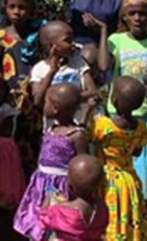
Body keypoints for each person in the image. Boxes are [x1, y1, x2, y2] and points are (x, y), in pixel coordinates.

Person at [94, 0, 147, 200]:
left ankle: (140, 208)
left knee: (142, 167)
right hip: (118, 116)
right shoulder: (116, 40)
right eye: (132, 13)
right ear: (125, 17)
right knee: (116, 165)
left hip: (146, 115)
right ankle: (116, 205)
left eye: (143, 13)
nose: (138, 18)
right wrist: (103, 32)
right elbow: (103, 66)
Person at [14, 83, 88, 241]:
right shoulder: (51, 129)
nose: (43, 106)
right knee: (37, 217)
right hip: (41, 184)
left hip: (62, 187)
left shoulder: (76, 135)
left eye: (46, 102)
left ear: (55, 108)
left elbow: (83, 165)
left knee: (57, 222)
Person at [86, 76, 147, 241]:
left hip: (106, 181)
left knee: (109, 217)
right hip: (129, 180)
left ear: (113, 100)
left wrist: (88, 111)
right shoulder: (140, 127)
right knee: (128, 217)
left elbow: (86, 136)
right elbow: (137, 152)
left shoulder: (103, 125)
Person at [0, 0, 45, 177]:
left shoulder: (38, 37)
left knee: (31, 150)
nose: (16, 12)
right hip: (9, 103)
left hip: (33, 105)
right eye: (12, 6)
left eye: (22, 7)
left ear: (32, 10)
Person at [30, 21, 97, 125]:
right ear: (52, 46)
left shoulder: (79, 63)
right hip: (53, 127)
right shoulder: (40, 69)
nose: (73, 44)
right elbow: (37, 101)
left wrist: (67, 100)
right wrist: (52, 72)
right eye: (68, 40)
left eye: (73, 39)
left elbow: (92, 91)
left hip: (79, 122)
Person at [39, 154, 109, 241]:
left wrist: (48, 199)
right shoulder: (102, 207)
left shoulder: (59, 211)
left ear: (69, 186)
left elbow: (43, 221)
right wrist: (64, 202)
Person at [0, 70, 25, 210]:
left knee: (5, 180)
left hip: (4, 151)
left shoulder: (6, 109)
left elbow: (5, 130)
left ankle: (5, 205)